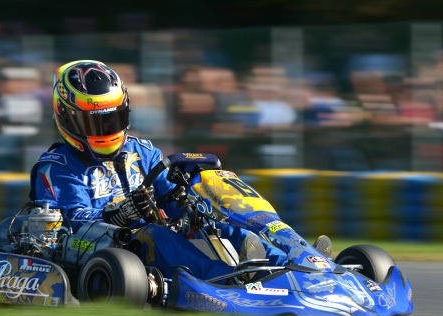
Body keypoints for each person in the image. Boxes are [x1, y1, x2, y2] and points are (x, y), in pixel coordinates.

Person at [29, 60, 322, 281]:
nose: (106, 130)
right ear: (67, 117)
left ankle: (302, 262)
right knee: (156, 235)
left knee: (219, 224)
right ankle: (232, 279)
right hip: (99, 245)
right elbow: (70, 220)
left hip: (145, 237)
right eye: (94, 123)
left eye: (112, 119)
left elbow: (168, 198)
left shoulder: (141, 151)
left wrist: (184, 196)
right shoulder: (58, 166)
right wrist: (119, 215)